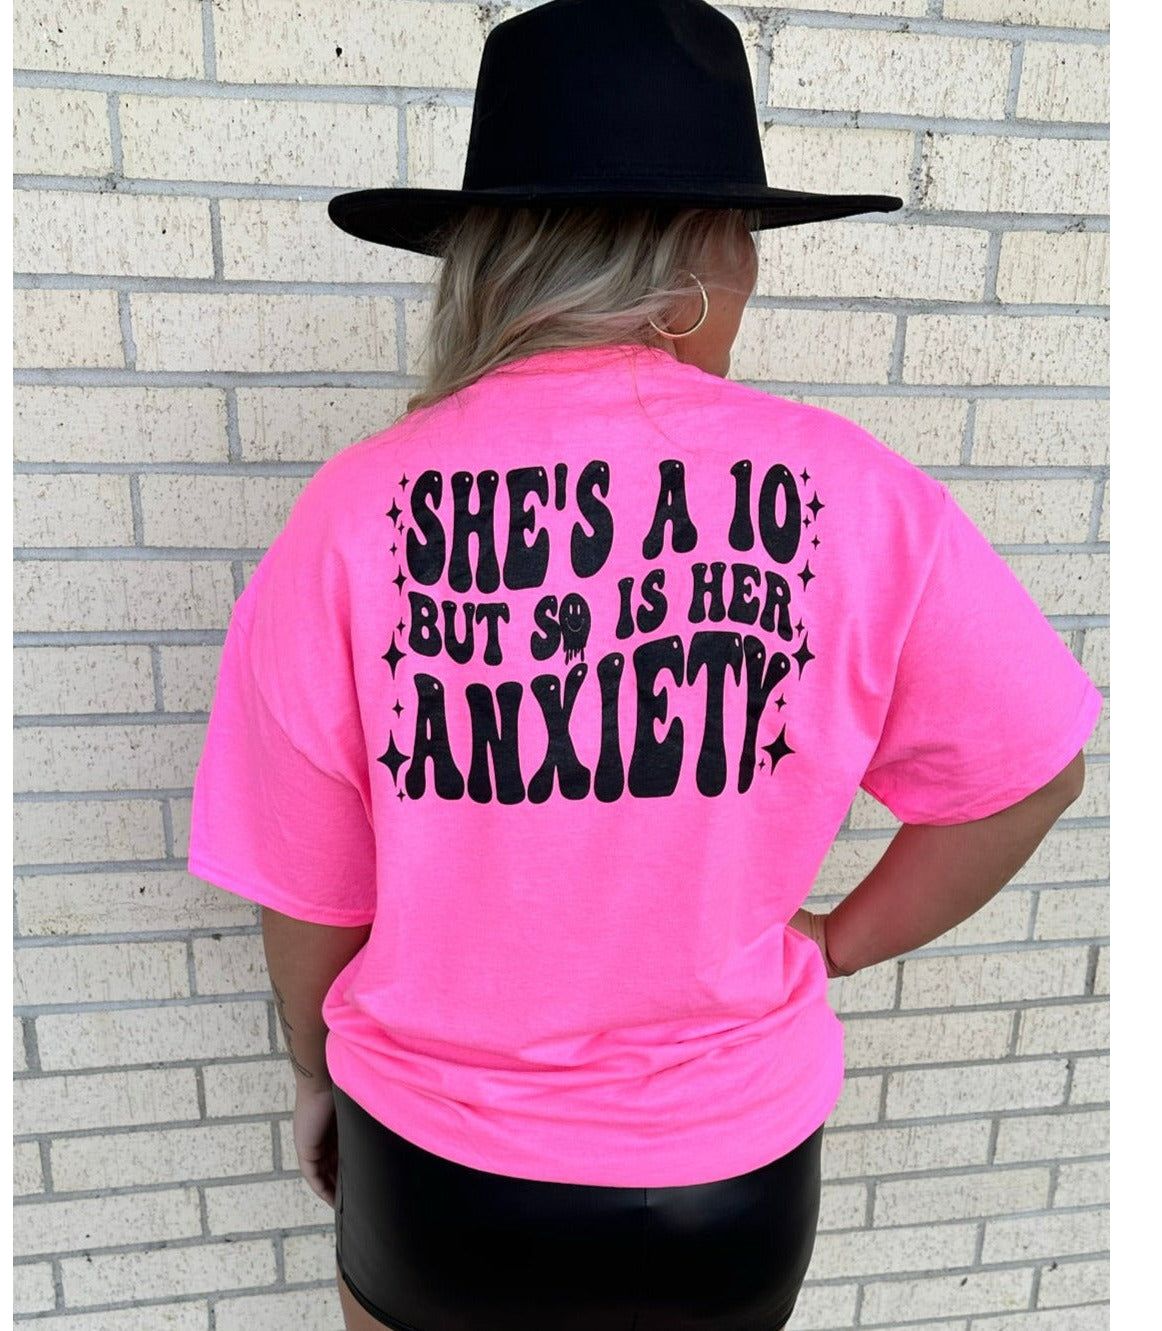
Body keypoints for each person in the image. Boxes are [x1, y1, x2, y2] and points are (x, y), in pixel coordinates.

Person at [186, 3, 1103, 1329]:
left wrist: (314, 1072)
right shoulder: (857, 495)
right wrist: (843, 941)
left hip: (441, 1177)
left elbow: (308, 898)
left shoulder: (353, 512)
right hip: (726, 1191)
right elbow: (1034, 770)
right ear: (696, 262)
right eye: (745, 239)